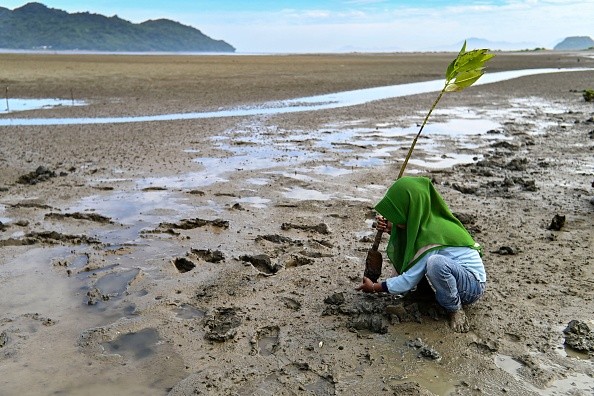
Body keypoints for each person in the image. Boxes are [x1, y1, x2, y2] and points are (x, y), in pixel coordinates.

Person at [356, 176, 486, 332]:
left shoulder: (433, 234)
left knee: (435, 263)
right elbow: (410, 244)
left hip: (471, 287)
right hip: (456, 276)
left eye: (398, 213)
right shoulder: (425, 220)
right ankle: (425, 294)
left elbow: (409, 279)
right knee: (426, 261)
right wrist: (391, 227)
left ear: (411, 209)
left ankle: (454, 308)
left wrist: (375, 287)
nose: (394, 219)